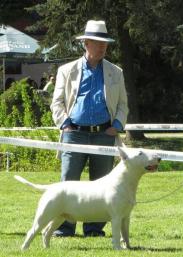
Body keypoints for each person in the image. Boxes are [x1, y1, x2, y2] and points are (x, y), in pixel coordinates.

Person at [50, 20, 128, 237]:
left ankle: (94, 229)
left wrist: (117, 126)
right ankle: (64, 228)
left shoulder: (116, 72)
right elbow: (57, 102)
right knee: (68, 182)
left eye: (105, 43)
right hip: (73, 133)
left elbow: (123, 105)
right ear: (86, 43)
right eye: (97, 42)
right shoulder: (66, 70)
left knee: (102, 185)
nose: (103, 47)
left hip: (104, 134)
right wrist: (65, 124)